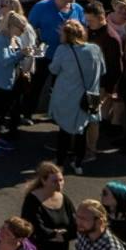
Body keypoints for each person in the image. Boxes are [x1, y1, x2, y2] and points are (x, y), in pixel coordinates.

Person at [44, 22, 105, 170]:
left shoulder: (63, 50)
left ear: (67, 35)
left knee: (64, 131)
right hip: (90, 97)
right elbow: (102, 70)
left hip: (68, 96)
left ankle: (59, 162)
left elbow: (53, 69)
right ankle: (78, 163)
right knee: (82, 131)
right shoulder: (95, 49)